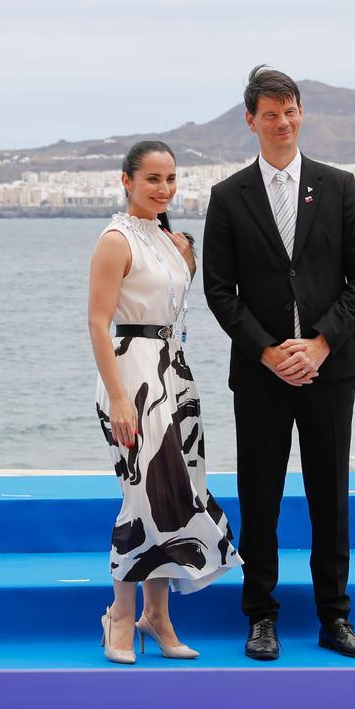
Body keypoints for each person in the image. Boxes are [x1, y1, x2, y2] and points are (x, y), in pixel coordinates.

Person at [202, 66, 355, 660]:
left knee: (330, 495)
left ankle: (335, 616)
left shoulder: (338, 185)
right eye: (270, 114)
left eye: (291, 111)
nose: (283, 122)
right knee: (261, 496)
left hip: (331, 369)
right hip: (261, 374)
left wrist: (323, 342)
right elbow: (219, 290)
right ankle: (260, 614)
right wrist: (268, 350)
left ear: (301, 114)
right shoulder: (228, 197)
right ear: (251, 120)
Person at [87, 140, 241, 664]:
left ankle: (159, 617)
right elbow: (97, 323)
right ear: (126, 180)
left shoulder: (175, 243)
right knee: (142, 493)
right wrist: (118, 396)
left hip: (173, 373)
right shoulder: (115, 239)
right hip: (131, 375)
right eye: (152, 178)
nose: (163, 188)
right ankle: (120, 618)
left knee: (174, 496)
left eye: (170, 178)